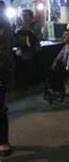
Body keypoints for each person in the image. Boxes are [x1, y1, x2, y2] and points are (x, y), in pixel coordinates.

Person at [45, 29, 69, 102]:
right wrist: (54, 64)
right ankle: (54, 90)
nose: (64, 37)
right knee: (49, 69)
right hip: (63, 66)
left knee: (59, 71)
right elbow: (59, 57)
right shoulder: (65, 46)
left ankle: (60, 91)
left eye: (67, 35)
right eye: (64, 35)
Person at [0, 21, 13, 157]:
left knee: (1, 114)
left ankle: (3, 142)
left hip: (1, 84)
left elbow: (7, 66)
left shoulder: (4, 47)